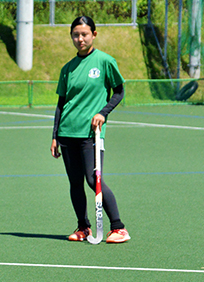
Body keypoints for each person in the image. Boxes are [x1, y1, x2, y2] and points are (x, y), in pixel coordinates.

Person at [50, 16, 130, 244]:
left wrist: (102, 113)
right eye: (76, 35)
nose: (80, 39)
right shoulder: (68, 68)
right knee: (75, 182)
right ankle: (83, 227)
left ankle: (119, 227)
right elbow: (60, 103)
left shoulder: (105, 61)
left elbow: (119, 92)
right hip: (67, 133)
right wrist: (55, 135)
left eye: (84, 34)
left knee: (93, 179)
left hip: (91, 134)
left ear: (94, 34)